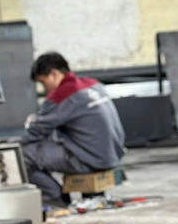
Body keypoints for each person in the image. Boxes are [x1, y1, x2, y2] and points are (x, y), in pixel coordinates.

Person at [22, 52, 125, 208]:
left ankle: (55, 198)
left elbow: (37, 130)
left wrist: (13, 142)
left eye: (43, 82)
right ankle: (91, 194)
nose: (45, 89)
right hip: (112, 156)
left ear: (54, 74)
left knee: (23, 155)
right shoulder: (93, 84)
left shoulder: (63, 95)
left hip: (91, 160)